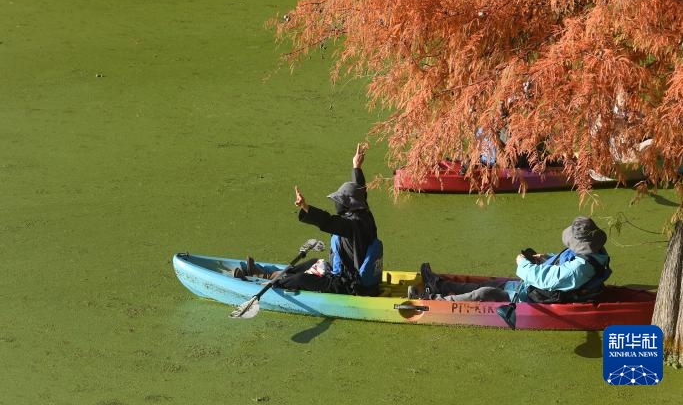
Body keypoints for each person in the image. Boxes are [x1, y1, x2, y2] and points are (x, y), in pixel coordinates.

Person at [253, 143, 382, 296]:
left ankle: (272, 284)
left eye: (340, 201)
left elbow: (326, 221)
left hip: (347, 285)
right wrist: (356, 167)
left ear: (348, 205)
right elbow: (360, 190)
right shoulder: (364, 212)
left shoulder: (351, 225)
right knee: (313, 261)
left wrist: (305, 207)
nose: (337, 204)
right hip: (349, 276)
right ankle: (275, 274)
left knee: (302, 279)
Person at [409, 216, 611, 304]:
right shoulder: (593, 253)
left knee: (485, 292)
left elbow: (548, 280)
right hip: (536, 290)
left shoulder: (581, 268)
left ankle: (433, 301)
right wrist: (546, 258)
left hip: (539, 299)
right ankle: (440, 284)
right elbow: (565, 265)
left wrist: (523, 264)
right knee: (493, 283)